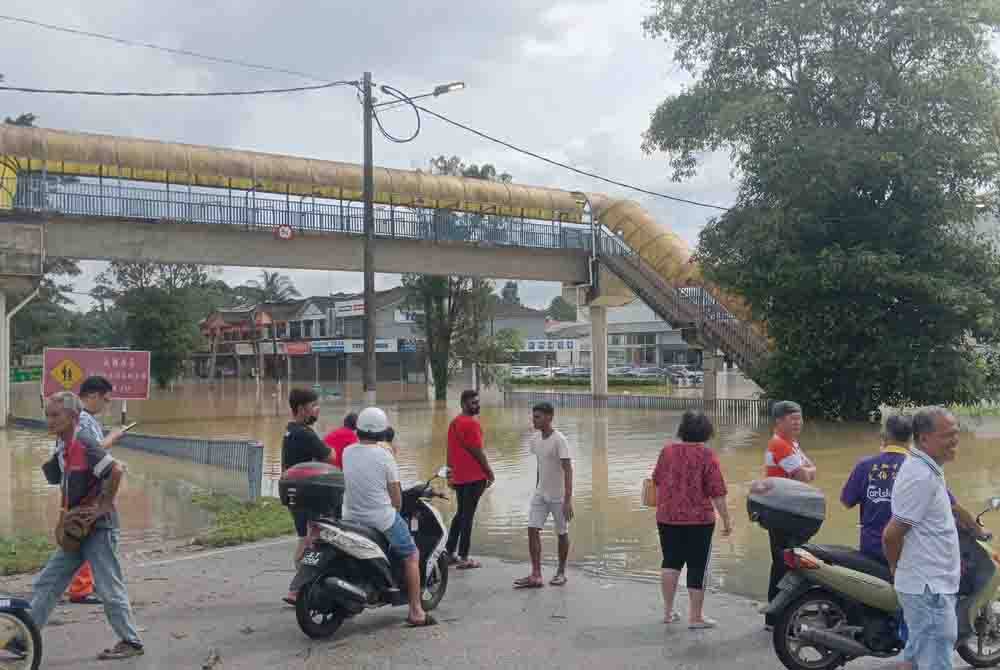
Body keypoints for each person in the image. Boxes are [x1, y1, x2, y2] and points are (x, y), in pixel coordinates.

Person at [17, 392, 144, 660]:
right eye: (47, 415)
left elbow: (116, 470)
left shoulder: (83, 442)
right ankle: (25, 638)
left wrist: (103, 506)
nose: (49, 421)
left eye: (55, 416)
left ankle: (130, 641)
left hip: (99, 529)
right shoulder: (63, 447)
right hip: (77, 530)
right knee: (47, 582)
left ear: (73, 417)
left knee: (109, 587)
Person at [841, 413, 978, 565]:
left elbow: (846, 502)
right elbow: (954, 507)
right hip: (908, 557)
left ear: (884, 436)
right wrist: (978, 529)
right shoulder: (922, 468)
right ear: (914, 438)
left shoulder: (865, 465)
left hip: (870, 552)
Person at [342, 407, 435, 627]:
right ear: (383, 432)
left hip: (350, 515)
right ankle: (416, 611)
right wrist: (396, 507)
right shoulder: (385, 456)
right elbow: (396, 499)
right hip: (380, 518)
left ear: (359, 430)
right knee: (412, 555)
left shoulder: (347, 451)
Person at [883, 407, 961, 670]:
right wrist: (896, 568)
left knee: (914, 658)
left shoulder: (928, 468)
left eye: (956, 433)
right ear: (925, 439)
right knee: (936, 660)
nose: (955, 440)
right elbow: (892, 534)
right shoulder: (921, 476)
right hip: (930, 590)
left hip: (928, 586)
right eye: (948, 435)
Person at [651, 410, 732, 628]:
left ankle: (668, 613)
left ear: (682, 430)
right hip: (699, 521)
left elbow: (656, 480)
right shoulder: (707, 455)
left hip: (667, 517)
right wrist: (726, 520)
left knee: (670, 562)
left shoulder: (667, 451)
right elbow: (717, 492)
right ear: (706, 431)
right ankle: (695, 617)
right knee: (697, 566)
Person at [66, 376, 127, 606]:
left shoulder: (74, 417)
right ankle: (88, 589)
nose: (107, 404)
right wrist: (113, 437)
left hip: (77, 487)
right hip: (88, 490)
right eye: (106, 399)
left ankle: (82, 586)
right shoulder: (84, 419)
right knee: (93, 536)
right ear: (92, 396)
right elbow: (92, 452)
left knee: (79, 536)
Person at [763, 400, 816, 628]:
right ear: (779, 421)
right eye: (792, 419)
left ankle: (782, 614)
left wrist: (808, 470)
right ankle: (776, 617)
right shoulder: (781, 445)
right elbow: (804, 475)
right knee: (785, 563)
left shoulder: (791, 443)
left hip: (790, 510)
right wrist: (809, 471)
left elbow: (809, 468)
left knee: (788, 561)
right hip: (783, 511)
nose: (798, 423)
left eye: (800, 418)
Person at [513, 403, 574, 589]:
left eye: (538, 416)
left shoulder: (560, 440)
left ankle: (561, 572)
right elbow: (540, 465)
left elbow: (568, 470)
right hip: (541, 493)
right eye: (534, 416)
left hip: (559, 496)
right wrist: (538, 487)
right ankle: (536, 574)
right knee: (532, 528)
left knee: (562, 533)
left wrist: (568, 501)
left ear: (549, 417)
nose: (534, 420)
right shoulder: (535, 439)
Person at [280, 388, 331, 605]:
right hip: (306, 494)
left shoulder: (290, 431)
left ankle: (300, 587)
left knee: (306, 538)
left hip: (293, 493)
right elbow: (330, 456)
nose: (317, 410)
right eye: (313, 406)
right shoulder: (305, 433)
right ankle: (298, 588)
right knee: (312, 540)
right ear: (301, 409)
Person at [445, 390, 495, 570]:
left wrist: (449, 474)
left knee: (460, 515)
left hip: (460, 478)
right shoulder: (471, 424)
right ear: (464, 404)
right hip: (474, 478)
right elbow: (477, 451)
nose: (477, 406)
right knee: (467, 517)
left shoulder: (454, 423)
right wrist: (489, 472)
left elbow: (449, 451)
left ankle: (449, 553)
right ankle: (464, 557)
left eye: (477, 402)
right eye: (473, 403)